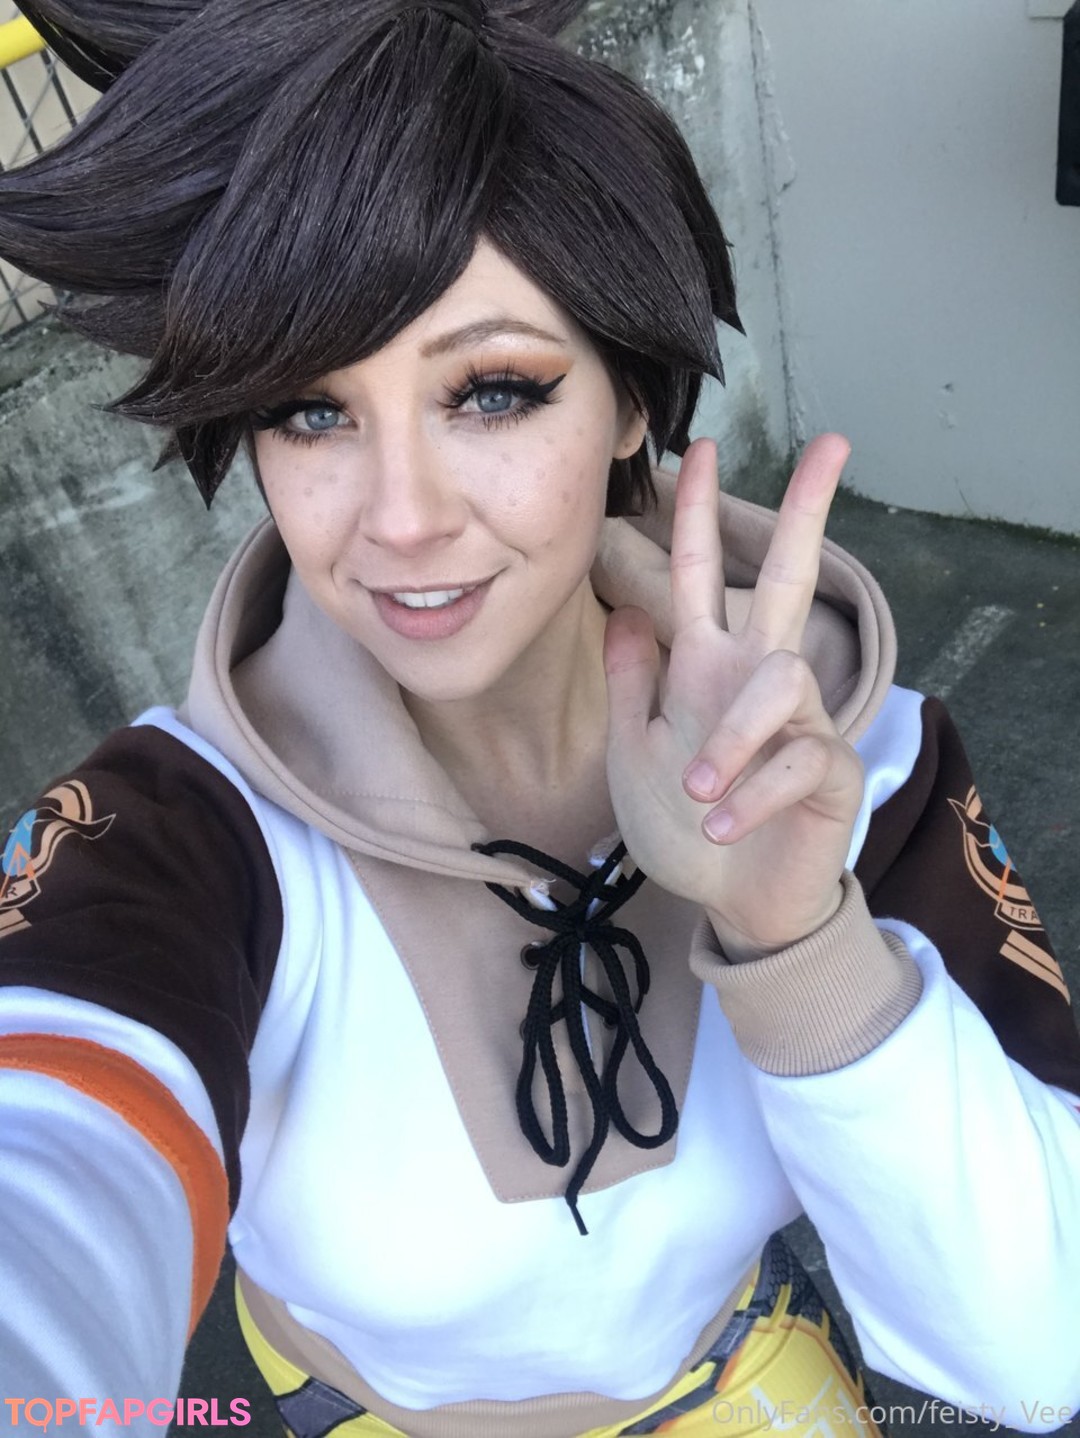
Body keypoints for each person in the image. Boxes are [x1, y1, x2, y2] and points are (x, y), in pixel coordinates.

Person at [1, 2, 1079, 1435]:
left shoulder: (851, 759)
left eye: (492, 391)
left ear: (631, 400)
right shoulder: (179, 838)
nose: (401, 518)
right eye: (309, 411)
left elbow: (1037, 1347)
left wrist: (801, 935)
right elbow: (48, 1165)